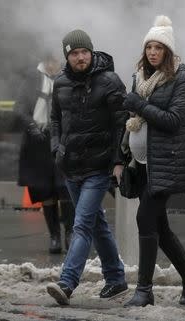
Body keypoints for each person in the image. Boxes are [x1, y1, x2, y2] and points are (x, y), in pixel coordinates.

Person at [120, 15, 185, 307]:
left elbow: (174, 120)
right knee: (161, 228)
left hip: (166, 163)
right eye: (149, 47)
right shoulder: (138, 77)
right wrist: (121, 158)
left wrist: (140, 104)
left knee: (145, 219)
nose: (152, 52)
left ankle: (144, 290)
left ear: (168, 51)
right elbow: (130, 120)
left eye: (158, 47)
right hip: (140, 163)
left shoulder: (182, 77)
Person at [46, 29, 129, 305]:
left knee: (81, 224)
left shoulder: (109, 81)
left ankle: (67, 283)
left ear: (91, 52)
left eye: (84, 52)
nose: (80, 57)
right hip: (71, 166)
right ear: (67, 56)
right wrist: (56, 147)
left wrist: (118, 160)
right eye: (74, 53)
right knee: (97, 225)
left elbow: (122, 124)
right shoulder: (60, 84)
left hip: (99, 166)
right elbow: (55, 118)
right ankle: (116, 279)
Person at [14, 52, 75, 254]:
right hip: (37, 142)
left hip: (62, 140)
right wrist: (31, 127)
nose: (52, 65)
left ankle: (69, 233)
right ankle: (55, 237)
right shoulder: (33, 78)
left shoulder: (68, 78)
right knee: (44, 189)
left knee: (64, 187)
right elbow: (20, 108)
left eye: (55, 61)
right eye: (49, 61)